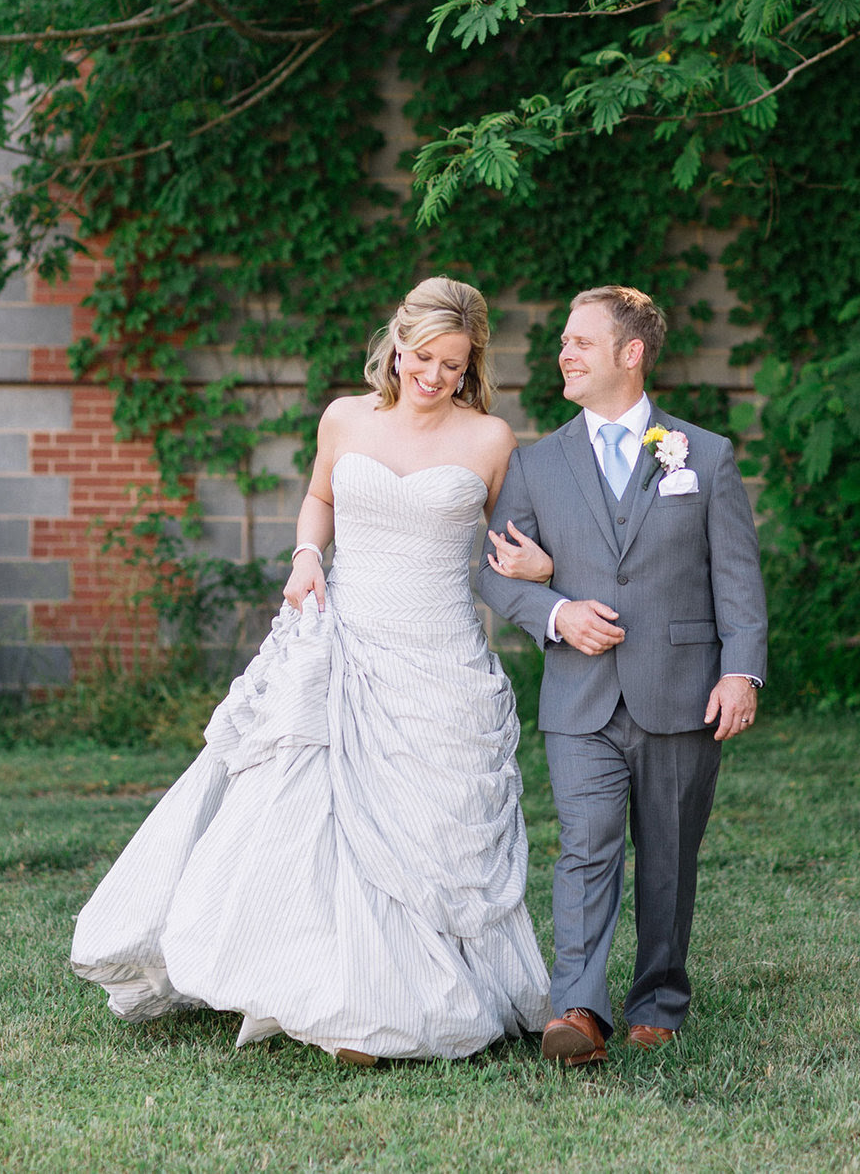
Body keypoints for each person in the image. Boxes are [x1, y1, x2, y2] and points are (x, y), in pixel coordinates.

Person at [72, 276, 552, 1064]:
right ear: (397, 343)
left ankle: (417, 996)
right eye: (424, 356)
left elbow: (505, 552)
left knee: (425, 831)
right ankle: (342, 997)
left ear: (473, 368)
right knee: (322, 824)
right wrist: (305, 555)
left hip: (438, 657)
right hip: (347, 638)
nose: (434, 376)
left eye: (453, 365)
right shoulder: (343, 417)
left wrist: (539, 566)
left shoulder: (490, 439)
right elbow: (319, 500)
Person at [479, 285, 767, 1065]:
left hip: (682, 688)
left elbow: (736, 576)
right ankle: (579, 1005)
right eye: (564, 341)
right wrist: (556, 610)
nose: (563, 353)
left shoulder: (701, 454)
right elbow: (499, 575)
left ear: (630, 353)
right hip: (580, 694)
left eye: (580, 341)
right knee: (587, 844)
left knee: (670, 852)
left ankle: (659, 999)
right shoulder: (536, 464)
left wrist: (741, 671)